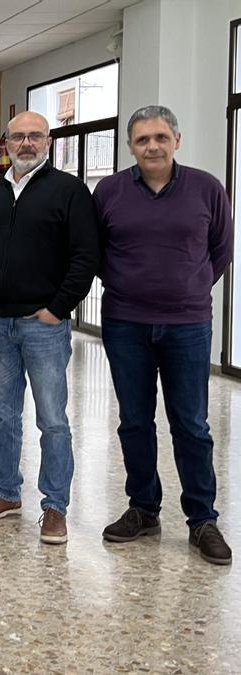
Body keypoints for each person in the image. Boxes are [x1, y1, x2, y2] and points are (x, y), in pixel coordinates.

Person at [94, 105, 235, 565]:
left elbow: (220, 250)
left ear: (177, 139)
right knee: (134, 421)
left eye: (160, 137)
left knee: (191, 423)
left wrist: (187, 287)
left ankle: (202, 519)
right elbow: (95, 250)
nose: (151, 146)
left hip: (188, 325)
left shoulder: (207, 188)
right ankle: (144, 509)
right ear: (130, 146)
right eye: (141, 140)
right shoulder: (110, 190)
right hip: (125, 322)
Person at [0, 111, 99, 545]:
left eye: (35, 136)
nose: (26, 143)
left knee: (52, 420)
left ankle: (55, 506)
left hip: (43, 327)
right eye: (18, 137)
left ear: (49, 141)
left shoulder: (70, 191)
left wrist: (57, 310)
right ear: (5, 142)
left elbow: (86, 257)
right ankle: (6, 493)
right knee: (3, 415)